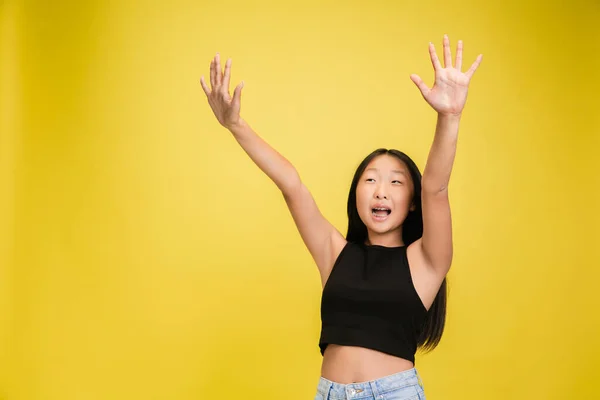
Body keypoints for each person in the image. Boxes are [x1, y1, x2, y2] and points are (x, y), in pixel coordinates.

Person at [200, 34, 482, 400]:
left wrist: (450, 116)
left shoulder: (427, 262)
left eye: (395, 182)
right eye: (370, 180)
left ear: (412, 202)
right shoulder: (333, 252)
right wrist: (235, 125)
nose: (381, 190)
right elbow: (292, 185)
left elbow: (436, 188)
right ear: (357, 194)